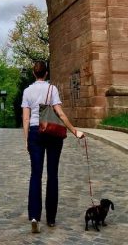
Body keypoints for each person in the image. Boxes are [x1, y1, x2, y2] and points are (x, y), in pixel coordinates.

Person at [22, 60, 85, 234]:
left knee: (35, 174)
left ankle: (34, 216)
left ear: (34, 74)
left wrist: (27, 139)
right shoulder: (52, 89)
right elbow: (60, 113)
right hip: (52, 133)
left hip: (35, 132)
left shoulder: (27, 91)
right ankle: (50, 218)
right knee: (53, 175)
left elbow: (26, 119)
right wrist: (74, 131)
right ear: (46, 73)